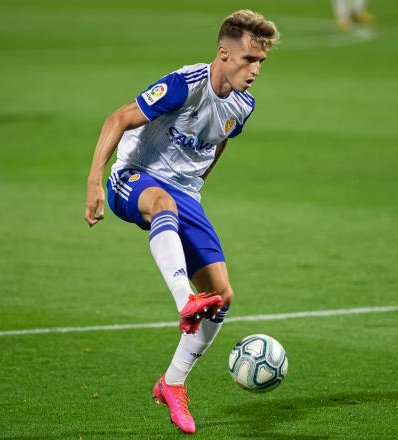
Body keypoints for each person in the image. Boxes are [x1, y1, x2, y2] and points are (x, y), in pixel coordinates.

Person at [84, 10, 279, 434]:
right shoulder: (183, 86)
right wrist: (94, 181)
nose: (256, 69)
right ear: (224, 53)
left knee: (223, 296)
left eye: (261, 61)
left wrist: (198, 185)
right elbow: (116, 119)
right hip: (132, 178)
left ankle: (172, 383)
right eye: (249, 59)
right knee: (162, 202)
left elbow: (221, 139)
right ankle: (183, 302)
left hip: (184, 194)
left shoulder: (243, 105)